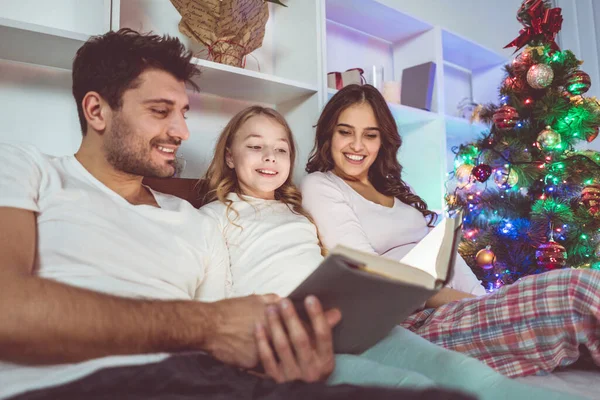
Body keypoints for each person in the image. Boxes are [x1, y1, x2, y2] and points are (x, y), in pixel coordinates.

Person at [0, 29, 475, 400]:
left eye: (184, 112)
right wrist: (207, 326)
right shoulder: (26, 169)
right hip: (77, 386)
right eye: (161, 111)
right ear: (97, 110)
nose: (182, 130)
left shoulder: (188, 217)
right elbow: (8, 310)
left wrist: (283, 359)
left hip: (208, 382)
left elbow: (229, 336)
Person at [195, 105, 577, 400]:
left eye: (280, 149)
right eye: (255, 147)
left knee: (462, 372)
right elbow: (213, 306)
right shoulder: (212, 218)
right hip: (289, 337)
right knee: (404, 386)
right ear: (230, 156)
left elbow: (335, 264)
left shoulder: (298, 213)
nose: (269, 157)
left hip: (348, 322)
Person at [300, 83, 600, 379]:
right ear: (329, 133)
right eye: (345, 132)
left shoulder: (398, 189)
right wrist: (465, 302)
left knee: (578, 299)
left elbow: (447, 254)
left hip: (454, 305)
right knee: (574, 291)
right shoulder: (322, 185)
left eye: (370, 135)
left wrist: (483, 301)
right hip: (412, 322)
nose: (356, 145)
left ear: (382, 141)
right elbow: (369, 275)